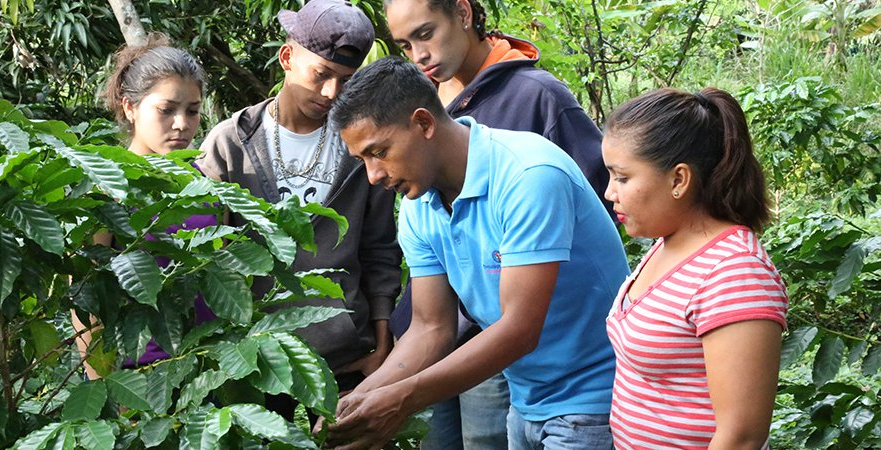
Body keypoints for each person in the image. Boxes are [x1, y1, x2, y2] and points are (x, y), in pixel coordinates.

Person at [324, 57, 628, 450]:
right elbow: (431, 329)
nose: (373, 175)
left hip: (593, 401)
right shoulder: (419, 204)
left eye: (378, 151)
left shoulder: (527, 176)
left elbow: (519, 331)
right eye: (362, 160)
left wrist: (402, 400)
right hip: (526, 403)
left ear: (423, 123)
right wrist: (357, 401)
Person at [382, 1, 614, 445]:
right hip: (461, 332)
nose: (419, 55)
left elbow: (596, 201)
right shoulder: (423, 115)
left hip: (535, 345)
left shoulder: (535, 97)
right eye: (405, 45)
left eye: (425, 34)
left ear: (464, 14)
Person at [198, 0, 402, 420]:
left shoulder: (361, 148)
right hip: (251, 366)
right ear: (287, 57)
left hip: (344, 361)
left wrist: (382, 345)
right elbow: (205, 260)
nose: (331, 93)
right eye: (321, 75)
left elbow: (379, 249)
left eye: (345, 81)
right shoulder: (229, 145)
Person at [601, 88, 789, 449]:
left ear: (679, 180)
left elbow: (741, 437)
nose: (611, 192)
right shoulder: (667, 242)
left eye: (622, 177)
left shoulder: (734, 273)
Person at [73, 34, 215, 377]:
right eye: (166, 110)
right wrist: (106, 388)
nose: (182, 124)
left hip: (209, 370)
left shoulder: (208, 185)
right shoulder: (105, 188)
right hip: (138, 377)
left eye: (192, 111)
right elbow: (85, 303)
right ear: (130, 107)